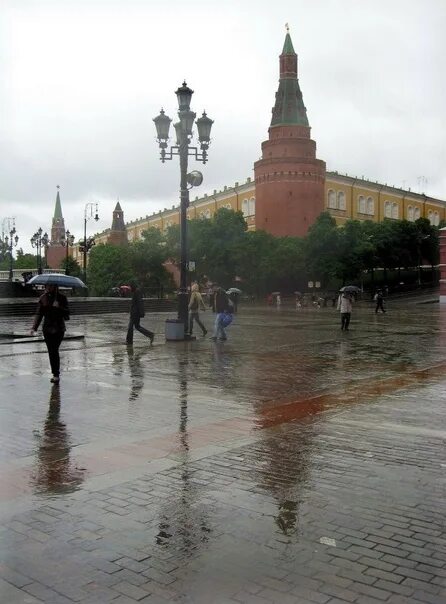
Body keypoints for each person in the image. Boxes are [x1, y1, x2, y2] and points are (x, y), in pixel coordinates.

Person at [31, 284, 70, 384]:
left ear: (55, 286)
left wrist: (59, 307)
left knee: (54, 350)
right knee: (51, 351)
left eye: (51, 286)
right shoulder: (43, 298)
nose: (48, 287)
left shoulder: (62, 298)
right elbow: (39, 314)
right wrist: (34, 328)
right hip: (47, 329)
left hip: (59, 329)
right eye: (47, 285)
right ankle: (55, 374)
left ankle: (56, 374)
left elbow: (67, 315)